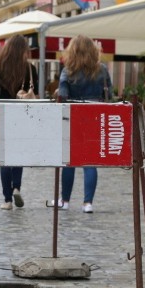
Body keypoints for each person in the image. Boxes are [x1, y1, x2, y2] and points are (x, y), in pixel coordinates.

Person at [52, 35, 113, 214]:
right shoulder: (102, 70)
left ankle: (65, 200)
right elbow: (110, 94)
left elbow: (62, 96)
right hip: (95, 116)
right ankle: (88, 203)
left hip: (73, 117)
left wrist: (59, 92)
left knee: (69, 161)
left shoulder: (68, 70)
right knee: (90, 161)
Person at [0, 34, 38, 210]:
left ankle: (7, 200)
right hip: (22, 115)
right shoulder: (30, 69)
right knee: (19, 153)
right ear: (24, 49)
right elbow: (36, 95)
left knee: (4, 157)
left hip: (3, 113)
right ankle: (16, 186)